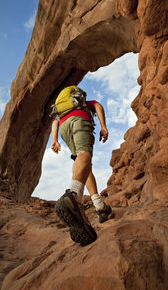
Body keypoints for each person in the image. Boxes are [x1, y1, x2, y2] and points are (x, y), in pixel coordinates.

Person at [51, 91, 111, 246]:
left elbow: (55, 122)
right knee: (85, 154)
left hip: (64, 127)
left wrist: (55, 140)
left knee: (84, 165)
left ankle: (99, 206)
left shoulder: (62, 112)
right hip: (79, 120)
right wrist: (103, 126)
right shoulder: (85, 104)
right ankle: (73, 195)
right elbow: (98, 105)